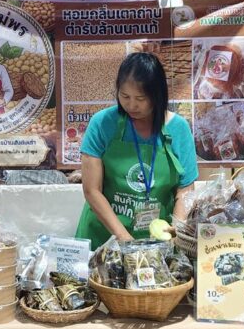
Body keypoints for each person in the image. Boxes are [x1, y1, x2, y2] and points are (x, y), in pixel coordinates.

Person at [75, 52, 199, 249]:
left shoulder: (178, 128)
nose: (131, 105)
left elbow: (185, 190)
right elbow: (92, 190)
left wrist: (175, 233)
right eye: (125, 96)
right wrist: (124, 239)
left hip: (157, 240)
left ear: (157, 95)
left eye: (140, 98)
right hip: (104, 238)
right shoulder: (103, 123)